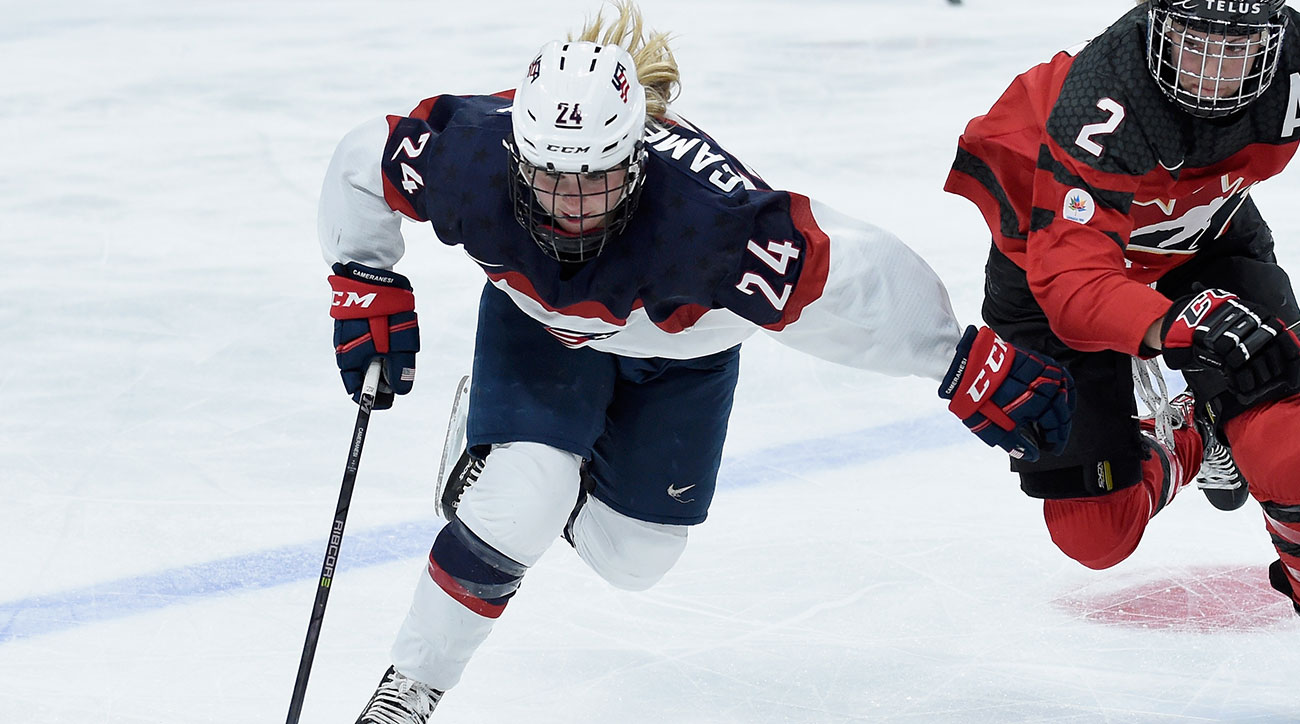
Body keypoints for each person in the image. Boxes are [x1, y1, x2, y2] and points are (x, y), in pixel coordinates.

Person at [319, 2, 1074, 721]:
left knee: (634, 557)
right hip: (543, 329)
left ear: (637, 159)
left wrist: (957, 357)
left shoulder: (709, 222)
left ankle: (508, 454)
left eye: (596, 183)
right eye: (551, 181)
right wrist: (363, 277)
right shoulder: (470, 157)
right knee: (526, 497)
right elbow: (366, 159)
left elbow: (849, 270)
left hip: (683, 356)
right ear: (517, 157)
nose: (572, 210)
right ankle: (410, 690)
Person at [945, 0, 1300, 615]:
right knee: (1095, 532)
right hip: (1051, 263)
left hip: (1203, 238)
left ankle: (1232, 425)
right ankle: (1194, 432)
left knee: (1292, 447)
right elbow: (1072, 283)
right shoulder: (1101, 96)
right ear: (1158, 24)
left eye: (1238, 45)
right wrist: (1170, 324)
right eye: (1195, 41)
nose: (1213, 73)